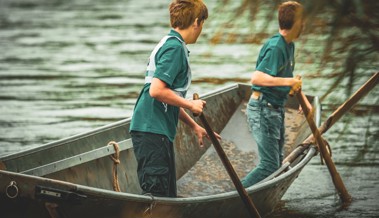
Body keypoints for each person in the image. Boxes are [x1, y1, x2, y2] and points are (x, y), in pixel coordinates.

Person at [130, 0, 220, 198]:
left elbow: (169, 97)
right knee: (157, 194)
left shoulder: (171, 43)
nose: (201, 30)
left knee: (166, 193)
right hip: (152, 130)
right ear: (196, 22)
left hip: (155, 129)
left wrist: (193, 125)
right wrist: (190, 103)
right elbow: (156, 91)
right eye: (203, 23)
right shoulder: (175, 49)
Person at [241, 1, 311, 187]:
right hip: (263, 109)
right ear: (296, 23)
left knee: (277, 162)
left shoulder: (289, 46)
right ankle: (237, 195)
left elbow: (289, 80)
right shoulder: (276, 47)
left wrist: (303, 101)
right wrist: (289, 82)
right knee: (270, 165)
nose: (304, 25)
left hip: (275, 109)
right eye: (302, 21)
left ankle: (255, 197)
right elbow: (256, 78)